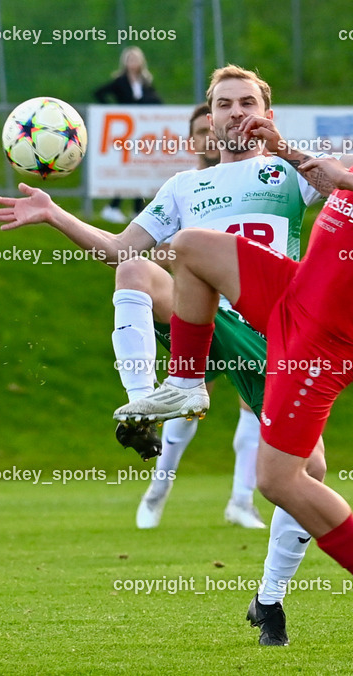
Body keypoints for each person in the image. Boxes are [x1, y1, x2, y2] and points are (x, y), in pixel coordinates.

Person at [113, 41, 353, 654]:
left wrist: (351, 170)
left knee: (280, 479)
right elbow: (329, 172)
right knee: (191, 246)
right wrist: (286, 146)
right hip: (291, 295)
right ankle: (187, 381)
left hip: (324, 336)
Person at [0, 66, 330, 534]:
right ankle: (142, 405)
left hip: (268, 332)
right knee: (133, 267)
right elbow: (117, 249)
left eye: (247, 104)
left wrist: (284, 147)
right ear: (210, 122)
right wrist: (54, 214)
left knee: (307, 473)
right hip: (202, 323)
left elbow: (347, 191)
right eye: (224, 105)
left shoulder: (287, 172)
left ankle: (270, 596)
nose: (236, 113)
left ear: (268, 114)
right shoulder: (183, 187)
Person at [135, 103, 265, 530]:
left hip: (253, 311)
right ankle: (160, 484)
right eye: (201, 131)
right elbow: (147, 250)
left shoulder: (266, 179)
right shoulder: (184, 189)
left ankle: (241, 500)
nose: (210, 138)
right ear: (197, 138)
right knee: (189, 398)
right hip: (200, 312)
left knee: (253, 405)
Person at [93, 46, 162, 224]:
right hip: (126, 133)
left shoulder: (146, 81)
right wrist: (115, 111)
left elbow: (157, 101)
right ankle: (114, 206)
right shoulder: (120, 81)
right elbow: (99, 93)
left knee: (139, 169)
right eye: (130, 59)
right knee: (127, 169)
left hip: (143, 131)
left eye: (136, 59)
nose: (133, 63)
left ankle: (136, 209)